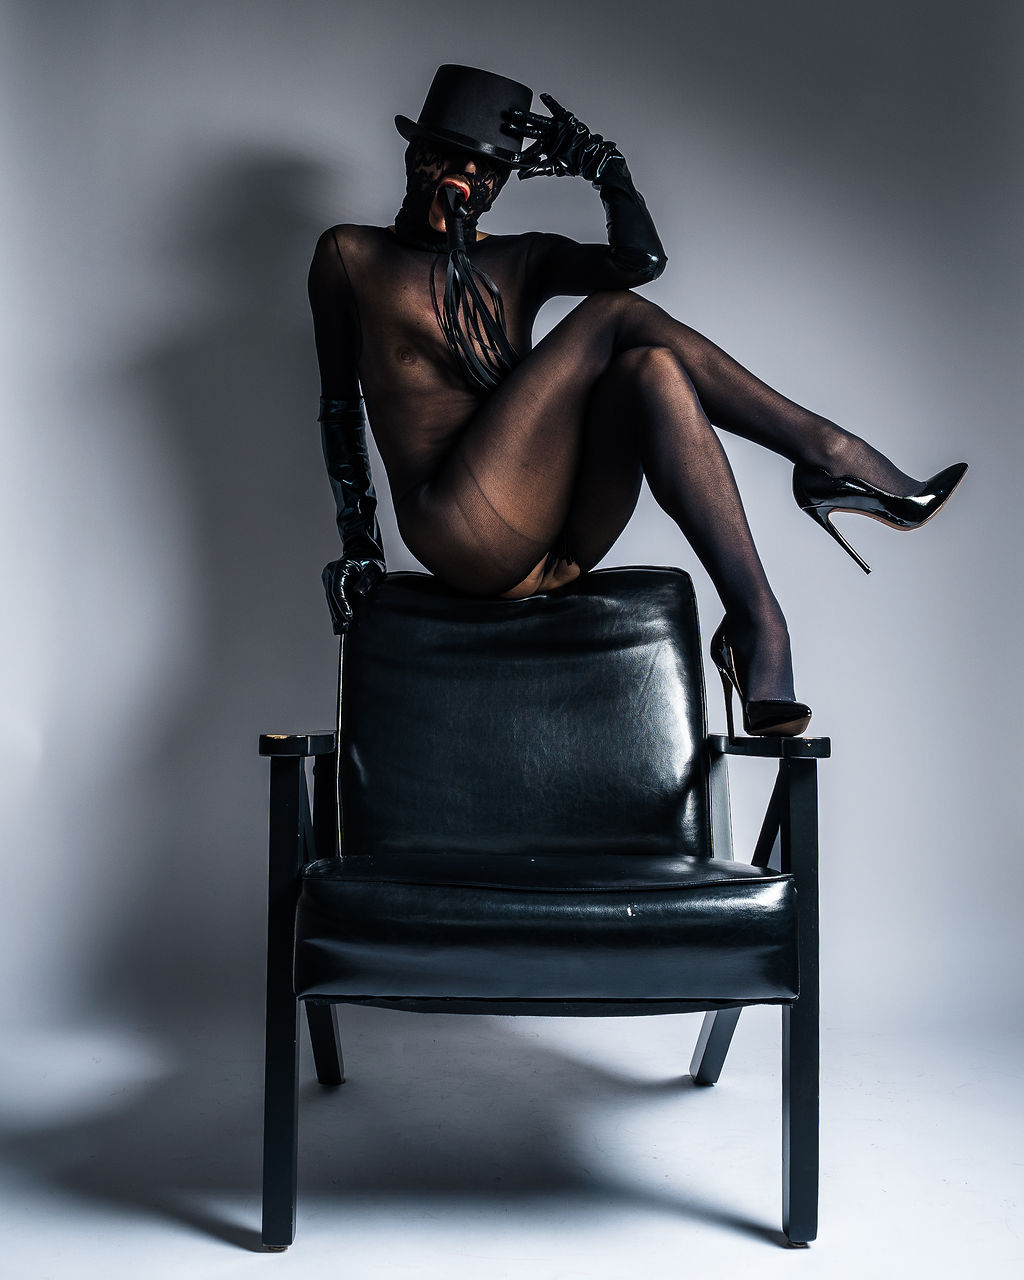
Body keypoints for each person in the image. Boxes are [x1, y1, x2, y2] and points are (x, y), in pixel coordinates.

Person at [308, 64, 967, 737]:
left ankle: (751, 620)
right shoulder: (349, 256)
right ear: (416, 155)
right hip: (460, 530)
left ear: (502, 184)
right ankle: (829, 459)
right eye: (451, 156)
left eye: (488, 170)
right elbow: (340, 409)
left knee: (652, 370)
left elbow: (639, 262)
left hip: (558, 541)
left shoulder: (519, 258)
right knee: (613, 315)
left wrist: (607, 170)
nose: (467, 177)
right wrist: (360, 544)